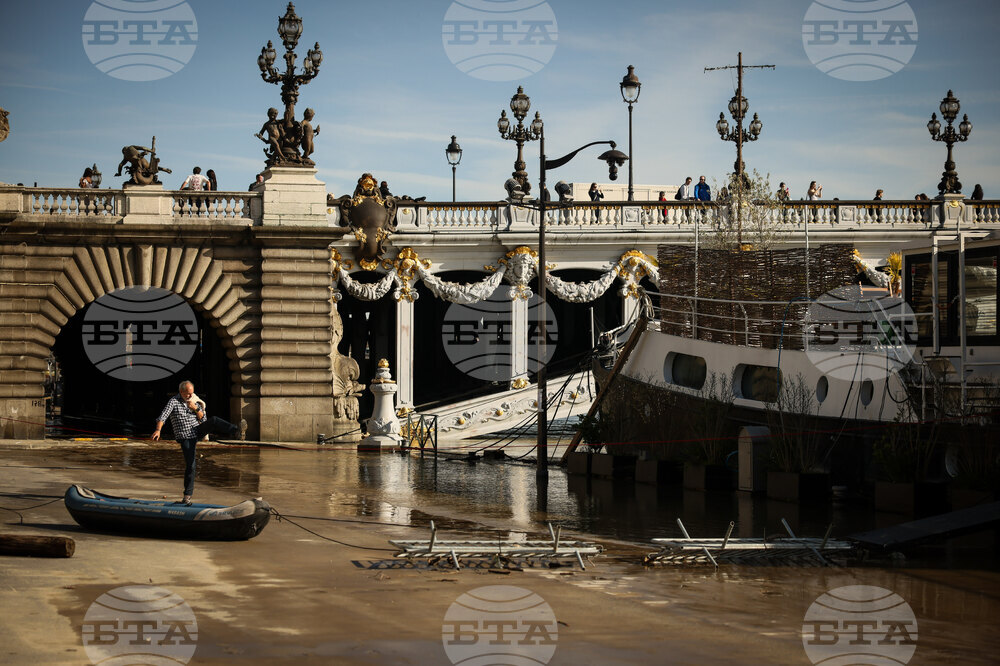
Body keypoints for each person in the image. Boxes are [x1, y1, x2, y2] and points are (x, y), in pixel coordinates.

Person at [152, 380, 246, 504]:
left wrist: (195, 408)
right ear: (181, 392)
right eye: (187, 394)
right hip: (185, 436)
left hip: (197, 430)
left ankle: (236, 431)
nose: (190, 396)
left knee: (214, 420)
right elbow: (163, 416)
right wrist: (158, 430)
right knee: (191, 465)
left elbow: (203, 419)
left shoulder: (195, 400)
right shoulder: (173, 402)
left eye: (192, 393)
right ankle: (187, 497)